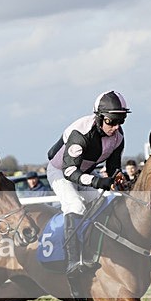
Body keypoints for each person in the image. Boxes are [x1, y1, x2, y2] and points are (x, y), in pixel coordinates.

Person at [46, 91, 128, 277]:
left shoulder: (118, 137)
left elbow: (114, 166)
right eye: (111, 122)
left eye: (120, 122)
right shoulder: (80, 133)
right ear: (99, 118)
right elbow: (69, 172)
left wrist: (118, 177)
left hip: (83, 173)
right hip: (60, 172)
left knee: (106, 201)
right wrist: (98, 181)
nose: (116, 127)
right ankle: (73, 260)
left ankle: (97, 250)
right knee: (75, 204)